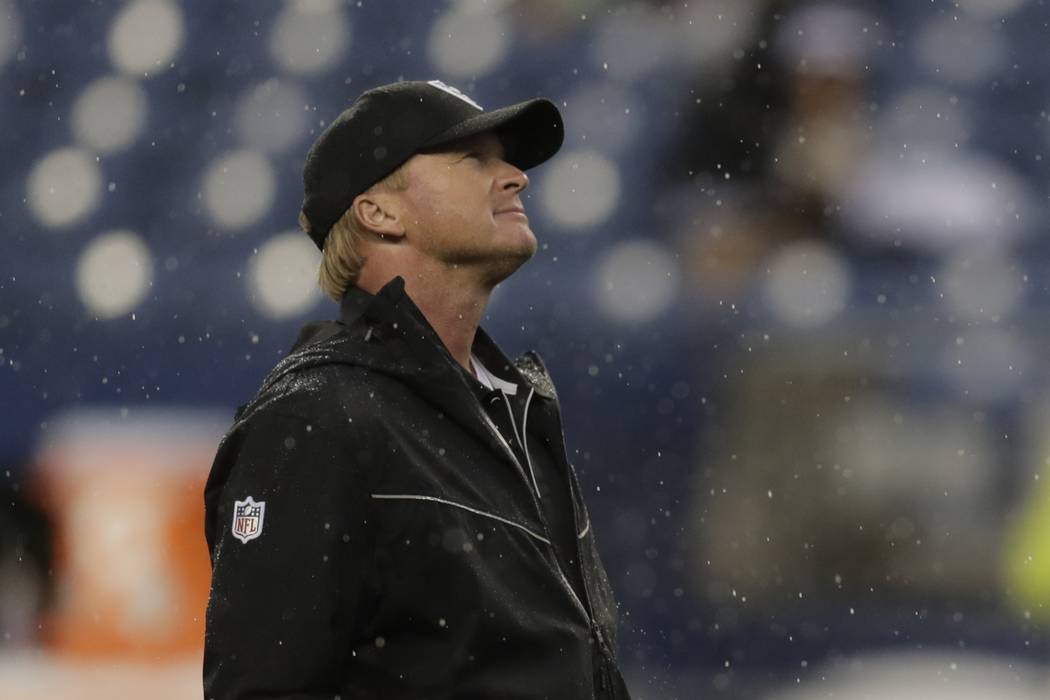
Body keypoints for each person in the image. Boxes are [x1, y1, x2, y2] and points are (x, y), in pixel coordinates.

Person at [202, 79, 631, 699]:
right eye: (473, 160)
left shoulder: (515, 406)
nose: (516, 176)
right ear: (378, 211)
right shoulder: (315, 418)